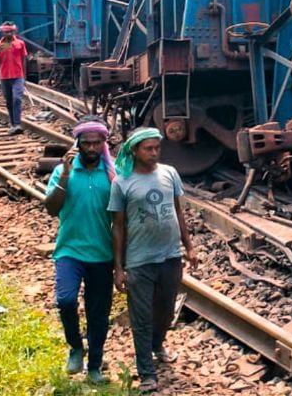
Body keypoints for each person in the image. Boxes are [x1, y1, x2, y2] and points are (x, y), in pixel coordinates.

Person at [109, 127, 198, 393]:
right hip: (139, 260)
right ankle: (146, 371)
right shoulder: (122, 181)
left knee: (166, 311)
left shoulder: (169, 173)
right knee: (141, 318)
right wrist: (118, 268)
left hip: (170, 256)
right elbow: (118, 226)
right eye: (148, 148)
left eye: (156, 147)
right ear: (134, 151)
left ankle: (157, 344)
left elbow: (178, 211)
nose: (154, 152)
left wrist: (189, 247)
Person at [45, 118, 116, 384]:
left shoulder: (111, 174)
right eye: (86, 143)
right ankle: (76, 346)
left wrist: (121, 262)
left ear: (103, 145)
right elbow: (51, 208)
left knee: (99, 313)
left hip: (102, 253)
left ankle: (95, 365)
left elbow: (121, 220)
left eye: (97, 143)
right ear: (77, 144)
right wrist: (64, 173)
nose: (91, 148)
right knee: (65, 300)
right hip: (69, 251)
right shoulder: (64, 171)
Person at [0, 22, 28, 135]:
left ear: (14, 31)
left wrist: (24, 76)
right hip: (5, 77)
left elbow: (24, 59)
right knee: (9, 101)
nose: (9, 34)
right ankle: (12, 124)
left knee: (17, 98)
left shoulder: (20, 43)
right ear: (2, 32)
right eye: (7, 32)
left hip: (18, 76)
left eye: (11, 31)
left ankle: (17, 124)